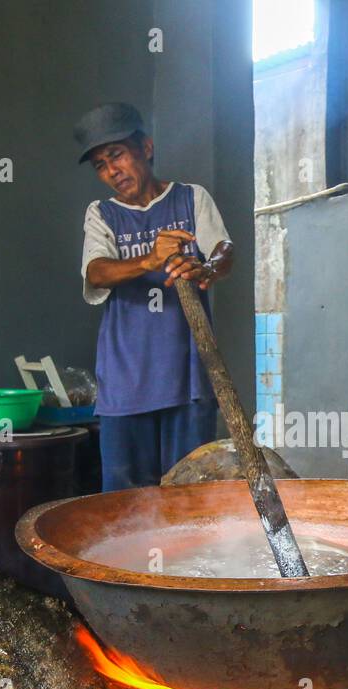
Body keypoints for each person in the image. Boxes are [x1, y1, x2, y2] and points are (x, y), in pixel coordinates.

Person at [75, 102, 235, 490]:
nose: (111, 171)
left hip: (189, 381)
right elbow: (97, 271)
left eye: (117, 156)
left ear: (145, 148)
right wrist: (152, 257)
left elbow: (224, 250)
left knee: (190, 497)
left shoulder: (190, 198)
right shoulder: (102, 213)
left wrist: (207, 269)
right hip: (125, 383)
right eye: (100, 165)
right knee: (125, 504)